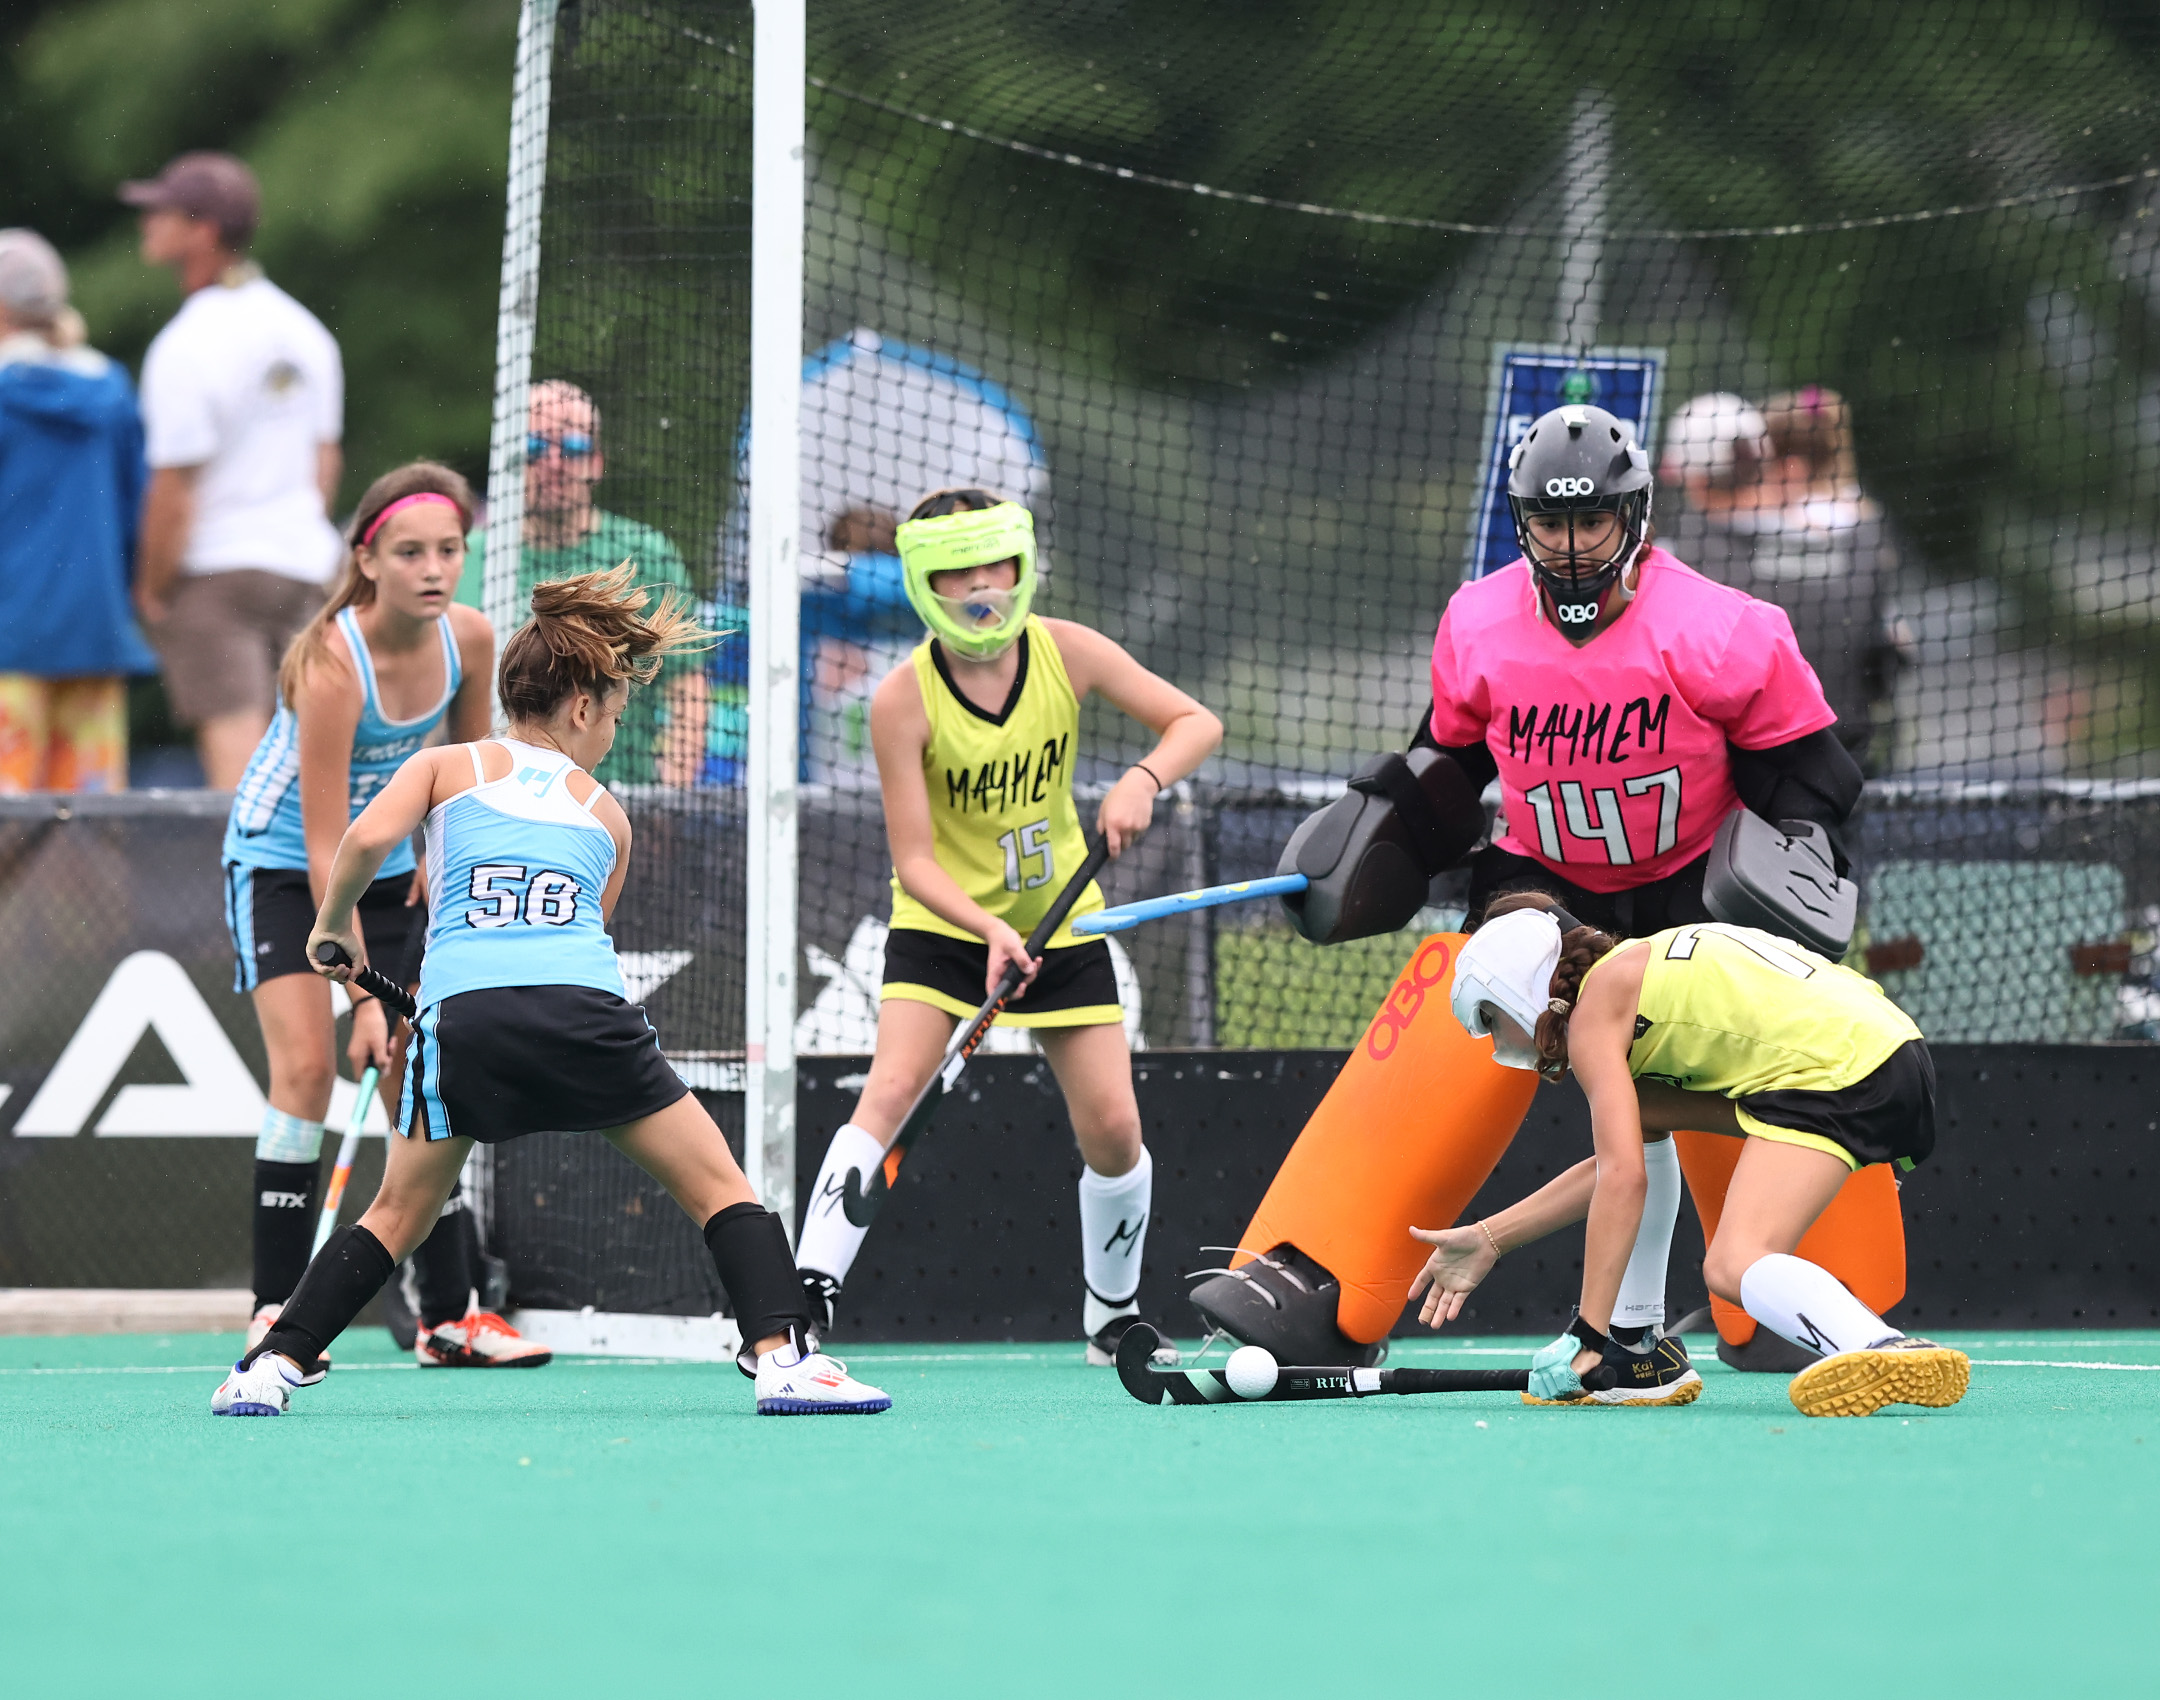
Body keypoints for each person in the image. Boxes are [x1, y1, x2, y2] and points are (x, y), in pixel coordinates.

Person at [212, 565, 888, 1417]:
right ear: (580, 709)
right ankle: (784, 1358)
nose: (611, 734)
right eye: (614, 717)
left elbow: (363, 839)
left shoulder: (443, 766)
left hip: (462, 1027)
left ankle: (268, 1367)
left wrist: (335, 925)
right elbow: (586, 933)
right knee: (722, 1189)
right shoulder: (606, 814)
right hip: (584, 1021)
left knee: (394, 1214)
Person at [792, 488, 1222, 1362]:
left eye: (997, 565)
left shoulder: (1067, 650)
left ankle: (1113, 1318)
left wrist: (1143, 779)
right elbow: (915, 860)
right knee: (890, 1092)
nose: (983, 586)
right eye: (959, 572)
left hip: (1062, 927)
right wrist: (986, 929)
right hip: (946, 930)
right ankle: (798, 1310)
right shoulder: (901, 700)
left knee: (1115, 1129)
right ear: (925, 583)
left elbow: (1195, 722)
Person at [222, 462, 544, 1369]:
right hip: (287, 865)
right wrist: (364, 997)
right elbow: (327, 844)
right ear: (367, 561)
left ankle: (450, 1318)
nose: (434, 569)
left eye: (449, 550)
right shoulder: (332, 663)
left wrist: (447, 881)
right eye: (410, 553)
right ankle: (273, 1312)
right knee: (304, 1073)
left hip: (390, 866)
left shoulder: (470, 637)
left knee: (424, 1076)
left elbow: (467, 779)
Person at [1417, 894, 1970, 1419]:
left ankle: (1881, 1346)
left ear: (1516, 989)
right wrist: (1490, 1237)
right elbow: (1617, 1166)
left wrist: (1586, 1335)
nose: (1497, 1042)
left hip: (1836, 1072)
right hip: (1893, 1054)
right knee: (1646, 1115)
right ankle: (1637, 1348)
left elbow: (1623, 1180)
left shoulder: (1593, 1016)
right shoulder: (1638, 968)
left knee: (1732, 1263)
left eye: (1491, 1019)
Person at [122, 152, 345, 789]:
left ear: (204, 231)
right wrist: (294, 530)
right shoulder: (304, 330)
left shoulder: (186, 344)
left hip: (216, 572)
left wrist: (152, 586)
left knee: (238, 773)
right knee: (301, 762)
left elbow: (175, 488)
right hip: (304, 566)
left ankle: (246, 863)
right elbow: (324, 459)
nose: (147, 222)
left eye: (163, 211)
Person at [456, 380, 707, 787]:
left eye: (573, 448)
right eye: (536, 447)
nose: (554, 463)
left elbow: (686, 687)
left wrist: (671, 793)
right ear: (511, 461)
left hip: (616, 797)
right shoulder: (466, 559)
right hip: (494, 794)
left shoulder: (644, 555)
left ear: (596, 462)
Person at [0, 228, 153, 794]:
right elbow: (137, 509)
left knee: (8, 811)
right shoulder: (110, 389)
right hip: (95, 627)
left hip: (9, 633)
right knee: (88, 812)